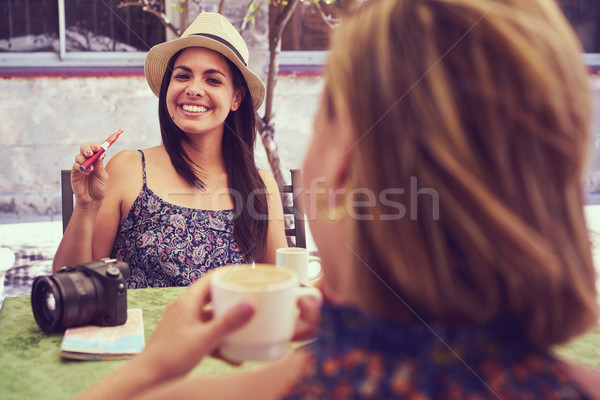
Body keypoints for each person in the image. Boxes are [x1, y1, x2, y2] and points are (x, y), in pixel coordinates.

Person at [76, 0, 600, 398]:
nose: (193, 89)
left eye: (324, 115)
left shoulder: (314, 379)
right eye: (182, 75)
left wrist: (150, 367)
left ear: (342, 168)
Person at [52, 12, 288, 288]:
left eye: (213, 80)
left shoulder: (259, 186)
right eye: (183, 75)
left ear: (236, 97)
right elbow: (70, 284)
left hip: (223, 331)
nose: (194, 89)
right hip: (137, 331)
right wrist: (86, 206)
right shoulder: (126, 169)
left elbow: (281, 287)